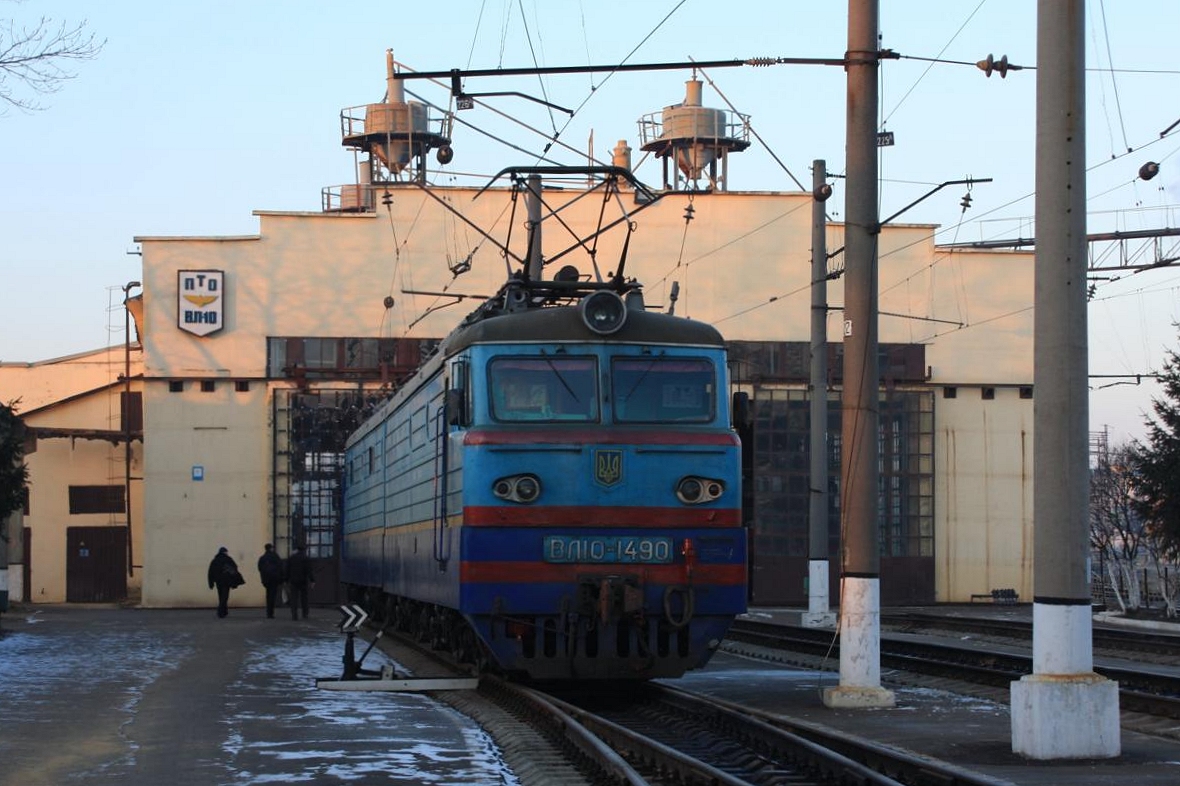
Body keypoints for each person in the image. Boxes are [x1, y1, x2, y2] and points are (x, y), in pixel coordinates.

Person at [207, 546, 241, 618]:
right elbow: (234, 569)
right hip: (226, 581)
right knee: (225, 596)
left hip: (218, 582)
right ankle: (221, 611)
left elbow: (210, 572)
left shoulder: (215, 561)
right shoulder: (228, 559)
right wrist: (235, 581)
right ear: (225, 552)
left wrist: (211, 583)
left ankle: (224, 611)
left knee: (221, 596)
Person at [285, 542, 314, 620]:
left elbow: (287, 569)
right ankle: (305, 613)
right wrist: (312, 580)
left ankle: (294, 615)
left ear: (297, 550)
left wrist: (286, 580)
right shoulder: (306, 558)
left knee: (294, 598)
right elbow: (309, 570)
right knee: (304, 597)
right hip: (303, 580)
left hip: (293, 580)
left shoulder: (291, 558)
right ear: (304, 550)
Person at [257, 543, 284, 619]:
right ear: (271, 548)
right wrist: (282, 578)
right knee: (272, 595)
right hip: (275, 579)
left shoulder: (262, 558)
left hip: (266, 579)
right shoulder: (275, 557)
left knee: (268, 595)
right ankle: (270, 613)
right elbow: (281, 567)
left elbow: (259, 568)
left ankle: (268, 612)